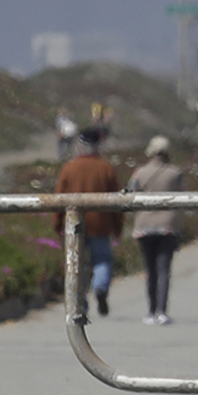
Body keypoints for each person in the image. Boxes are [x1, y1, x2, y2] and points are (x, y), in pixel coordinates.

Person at [52, 127, 123, 317]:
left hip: (74, 224)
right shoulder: (106, 168)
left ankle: (80, 304)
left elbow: (59, 198)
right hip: (101, 223)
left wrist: (57, 223)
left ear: (80, 145)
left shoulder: (69, 168)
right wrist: (118, 227)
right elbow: (116, 200)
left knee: (76, 263)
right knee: (102, 260)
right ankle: (100, 288)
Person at [126, 136, 184, 325]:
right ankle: (162, 311)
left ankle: (150, 311)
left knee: (149, 270)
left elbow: (130, 194)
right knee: (164, 270)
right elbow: (184, 197)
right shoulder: (175, 173)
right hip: (167, 225)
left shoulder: (140, 173)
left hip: (144, 226)